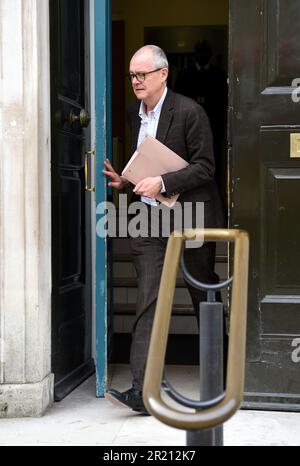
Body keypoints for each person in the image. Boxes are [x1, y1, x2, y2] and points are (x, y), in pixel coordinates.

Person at [103, 45, 223, 415]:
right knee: (148, 299)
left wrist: (163, 182)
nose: (136, 81)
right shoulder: (132, 113)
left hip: (191, 216)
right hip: (150, 219)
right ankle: (143, 389)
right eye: (132, 75)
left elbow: (205, 167)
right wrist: (127, 180)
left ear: (163, 74)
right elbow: (145, 160)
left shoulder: (190, 112)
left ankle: (218, 380)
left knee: (201, 291)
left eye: (142, 74)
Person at [174, 40, 228, 207]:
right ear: (195, 54)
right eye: (200, 52)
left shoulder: (219, 75)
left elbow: (224, 101)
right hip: (187, 127)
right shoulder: (184, 75)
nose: (203, 56)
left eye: (206, 52)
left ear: (210, 55)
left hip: (214, 127)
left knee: (212, 162)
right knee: (187, 163)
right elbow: (177, 100)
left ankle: (214, 199)